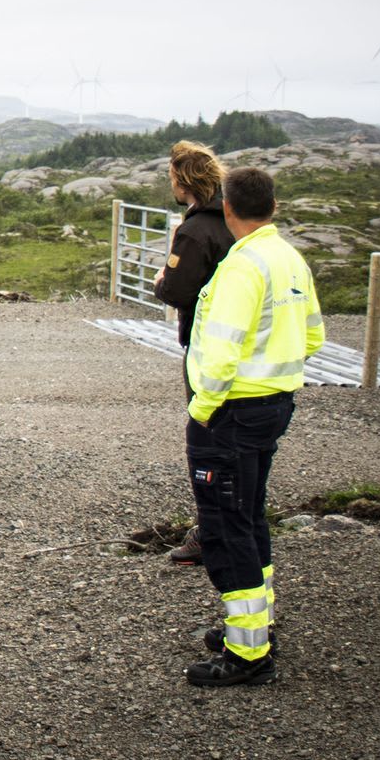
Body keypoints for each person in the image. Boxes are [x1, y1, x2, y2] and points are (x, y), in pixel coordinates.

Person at [181, 166, 323, 688]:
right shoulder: (290, 258)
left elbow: (221, 352)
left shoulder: (242, 266)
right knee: (249, 517)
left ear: (227, 208)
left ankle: (247, 655)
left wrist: (202, 408)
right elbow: (313, 336)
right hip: (273, 405)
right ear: (274, 206)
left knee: (226, 527)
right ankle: (257, 628)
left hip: (231, 413)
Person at [152, 141, 234, 566]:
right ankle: (237, 521)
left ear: (184, 181)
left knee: (205, 438)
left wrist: (162, 281)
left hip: (205, 346)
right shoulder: (236, 221)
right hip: (242, 347)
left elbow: (178, 290)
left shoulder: (196, 231)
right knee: (235, 442)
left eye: (172, 177)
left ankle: (211, 531)